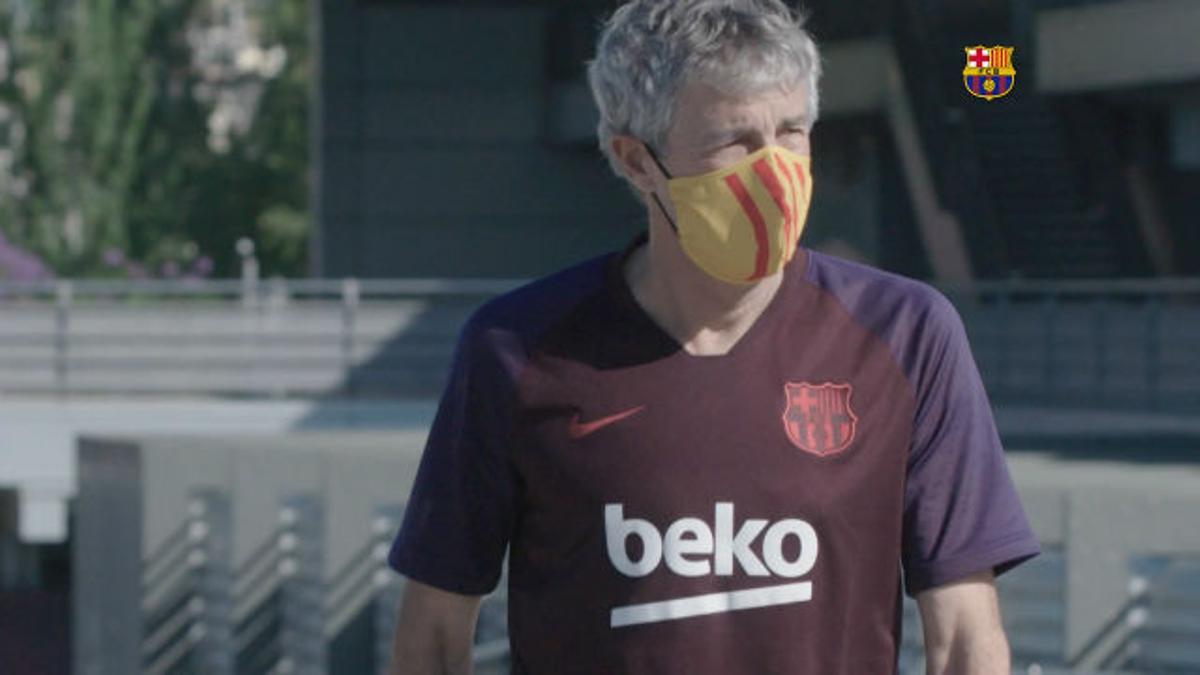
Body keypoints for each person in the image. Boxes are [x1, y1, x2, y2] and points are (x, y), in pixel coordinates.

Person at [388, 1, 1040, 673]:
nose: (775, 170)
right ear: (636, 161)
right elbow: (433, 635)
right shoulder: (516, 349)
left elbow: (965, 639)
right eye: (735, 141)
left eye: (792, 132)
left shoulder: (906, 337)